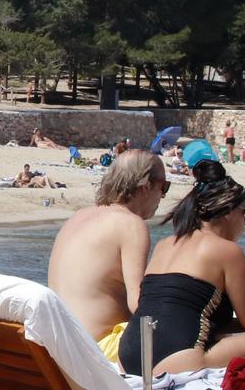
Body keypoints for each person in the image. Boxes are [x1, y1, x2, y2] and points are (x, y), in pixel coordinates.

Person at [116, 158, 245, 376]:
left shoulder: (165, 244)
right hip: (178, 359)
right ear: (228, 211)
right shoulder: (227, 251)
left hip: (128, 354)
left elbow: (180, 313)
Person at [45, 147, 169, 352]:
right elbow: (138, 304)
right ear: (146, 186)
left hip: (60, 343)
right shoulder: (130, 224)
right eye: (164, 187)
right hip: (98, 349)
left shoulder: (79, 216)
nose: (163, 196)